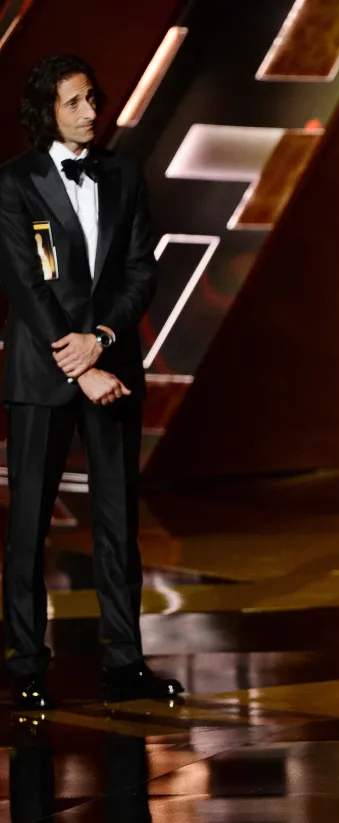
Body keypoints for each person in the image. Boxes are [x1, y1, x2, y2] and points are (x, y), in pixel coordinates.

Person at [0, 54, 183, 709]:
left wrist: (103, 340)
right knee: (28, 527)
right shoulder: (13, 183)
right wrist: (82, 366)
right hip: (43, 376)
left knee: (117, 521)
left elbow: (141, 273)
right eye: (75, 102)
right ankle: (25, 663)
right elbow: (25, 285)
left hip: (113, 370)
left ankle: (124, 663)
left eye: (93, 99)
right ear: (46, 110)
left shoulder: (124, 175)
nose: (89, 112)